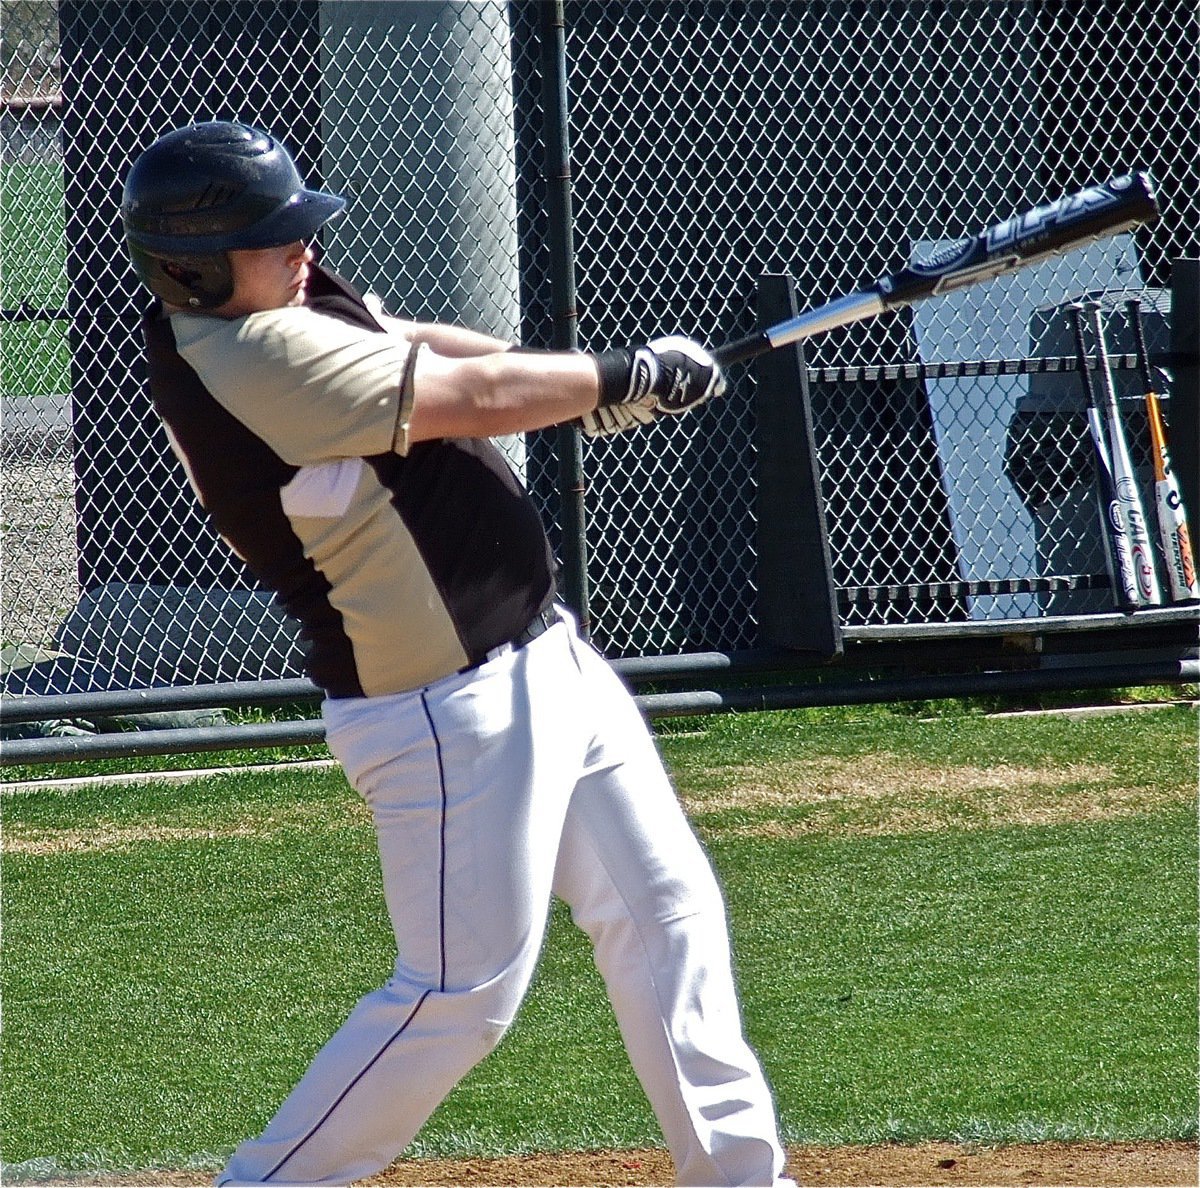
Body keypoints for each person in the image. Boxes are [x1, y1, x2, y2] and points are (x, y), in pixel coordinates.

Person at [122, 120, 793, 1187]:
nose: (302, 248)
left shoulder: (289, 302)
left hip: (544, 660)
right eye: (272, 236)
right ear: (195, 265)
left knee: (666, 913)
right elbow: (466, 402)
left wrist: (600, 385)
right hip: (445, 710)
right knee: (458, 990)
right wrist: (619, 374)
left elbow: (429, 350)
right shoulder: (244, 357)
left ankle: (740, 1177)